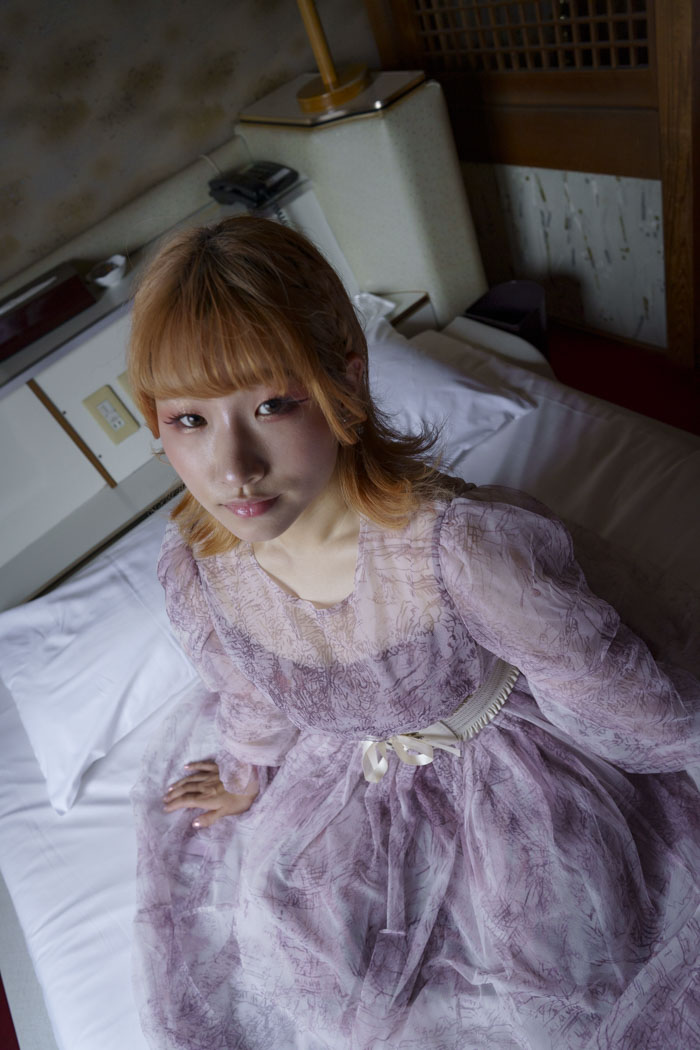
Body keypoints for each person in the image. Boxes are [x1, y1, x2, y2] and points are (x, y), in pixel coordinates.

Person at [128, 215, 699, 1050]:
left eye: (273, 405)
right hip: (344, 778)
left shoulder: (460, 552)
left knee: (554, 973)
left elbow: (605, 683)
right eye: (190, 421)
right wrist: (248, 770)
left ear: (346, 380)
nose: (234, 467)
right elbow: (249, 687)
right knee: (303, 958)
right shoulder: (200, 566)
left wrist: (686, 749)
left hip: (508, 777)